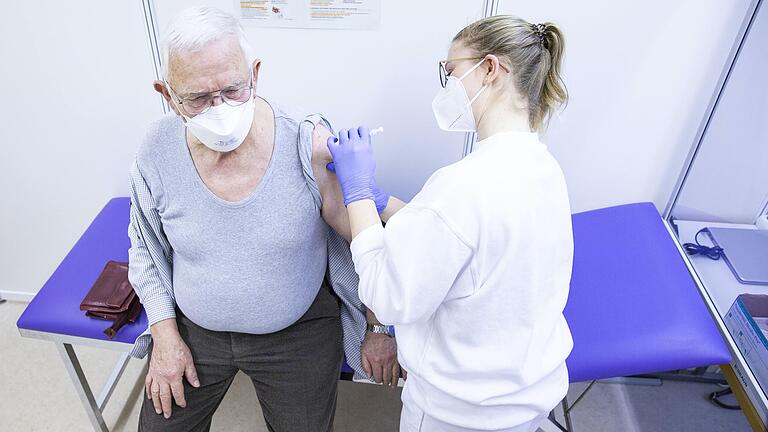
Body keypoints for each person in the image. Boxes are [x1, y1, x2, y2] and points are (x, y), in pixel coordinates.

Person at [127, 7, 400, 432]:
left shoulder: (306, 142)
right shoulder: (155, 150)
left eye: (233, 89)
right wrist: (164, 337)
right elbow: (144, 249)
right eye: (198, 97)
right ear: (167, 94)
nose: (219, 108)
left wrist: (378, 326)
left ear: (255, 74)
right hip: (194, 329)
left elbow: (360, 241)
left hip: (298, 332)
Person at [327, 15, 573, 432]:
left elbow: (387, 295)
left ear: (490, 68)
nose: (448, 84)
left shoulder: (462, 185)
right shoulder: (541, 167)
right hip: (523, 398)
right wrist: (382, 202)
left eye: (451, 70)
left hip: (459, 413)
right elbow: (466, 244)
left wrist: (356, 194)